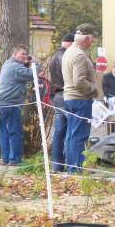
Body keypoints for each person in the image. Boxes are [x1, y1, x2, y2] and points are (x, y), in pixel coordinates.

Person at [62, 23, 99, 173]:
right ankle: (76, 168)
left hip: (70, 98)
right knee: (79, 135)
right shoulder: (79, 55)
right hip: (80, 99)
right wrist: (94, 89)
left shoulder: (70, 51)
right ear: (86, 39)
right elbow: (79, 81)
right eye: (92, 39)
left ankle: (72, 166)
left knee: (71, 134)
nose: (93, 42)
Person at [0, 44, 34, 165]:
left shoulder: (7, 64)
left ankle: (5, 158)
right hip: (10, 103)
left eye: (26, 54)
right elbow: (33, 74)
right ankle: (15, 159)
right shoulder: (16, 68)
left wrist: (26, 62)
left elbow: (23, 72)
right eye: (22, 54)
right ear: (14, 54)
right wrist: (35, 62)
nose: (25, 56)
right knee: (15, 131)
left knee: (4, 131)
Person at [49, 33, 74, 172]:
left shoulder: (54, 56)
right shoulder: (68, 56)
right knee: (72, 131)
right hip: (68, 94)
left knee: (59, 132)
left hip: (57, 96)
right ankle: (73, 164)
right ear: (70, 43)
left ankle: (57, 165)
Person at [102, 61, 115, 134]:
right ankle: (111, 135)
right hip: (112, 102)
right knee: (112, 121)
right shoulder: (106, 77)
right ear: (114, 67)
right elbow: (105, 89)